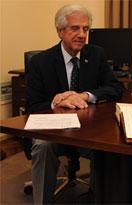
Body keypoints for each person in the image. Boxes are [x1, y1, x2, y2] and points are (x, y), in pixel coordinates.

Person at [25, 4, 123, 204]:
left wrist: (85, 95)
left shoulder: (96, 55)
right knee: (43, 145)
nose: (82, 34)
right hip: (53, 131)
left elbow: (115, 88)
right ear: (60, 31)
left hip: (88, 130)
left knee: (110, 144)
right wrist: (57, 100)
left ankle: (98, 197)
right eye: (75, 28)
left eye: (85, 29)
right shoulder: (41, 62)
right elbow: (32, 106)